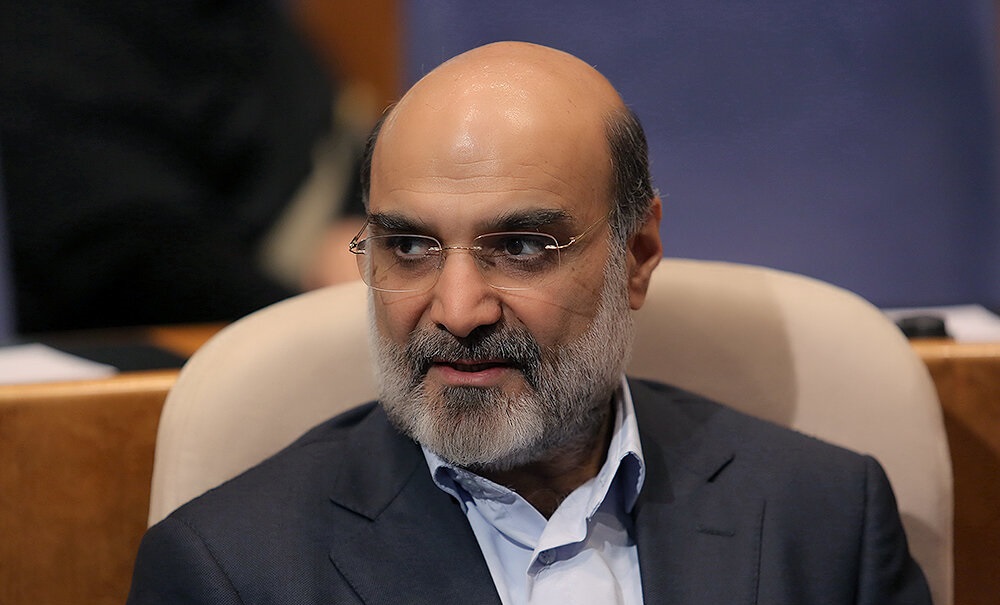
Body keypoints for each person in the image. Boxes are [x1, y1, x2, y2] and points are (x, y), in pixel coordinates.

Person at [127, 42, 932, 604]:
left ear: (638, 254)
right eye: (409, 247)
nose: (458, 311)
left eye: (520, 246)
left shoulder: (824, 517)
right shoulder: (228, 570)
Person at [0, 1, 365, 333]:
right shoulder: (46, 34)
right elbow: (119, 241)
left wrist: (365, 236)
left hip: (314, 301)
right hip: (138, 339)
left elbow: (327, 137)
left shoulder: (241, 16)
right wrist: (303, 320)